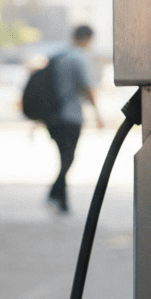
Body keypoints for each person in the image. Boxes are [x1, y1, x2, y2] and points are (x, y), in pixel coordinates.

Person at [46, 24, 102, 213]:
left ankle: (59, 198)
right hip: (70, 116)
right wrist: (97, 115)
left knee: (64, 158)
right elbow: (88, 89)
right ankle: (56, 195)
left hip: (53, 116)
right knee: (68, 158)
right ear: (87, 39)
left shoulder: (58, 56)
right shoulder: (79, 58)